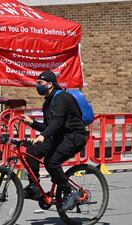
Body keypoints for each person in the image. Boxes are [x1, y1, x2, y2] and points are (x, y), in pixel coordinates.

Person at [21, 70, 87, 211]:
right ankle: (35, 187)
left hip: (74, 136)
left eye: (40, 83)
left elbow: (58, 121)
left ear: (50, 84)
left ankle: (69, 191)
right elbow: (48, 126)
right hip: (58, 136)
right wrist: (32, 123)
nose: (37, 86)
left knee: (51, 162)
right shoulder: (47, 102)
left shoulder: (62, 97)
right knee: (31, 152)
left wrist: (42, 136)